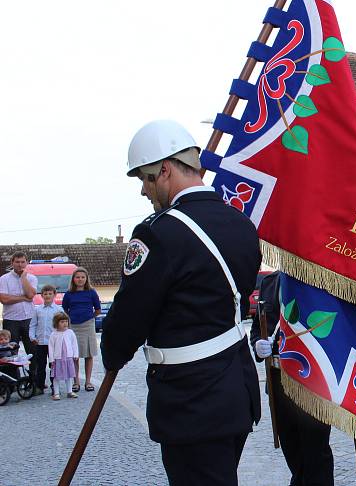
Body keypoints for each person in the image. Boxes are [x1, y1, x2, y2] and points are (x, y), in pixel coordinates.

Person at [101, 120, 261, 485]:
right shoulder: (241, 225)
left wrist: (112, 352)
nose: (144, 190)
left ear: (165, 169)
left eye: (145, 178)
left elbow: (126, 323)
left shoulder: (158, 234)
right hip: (235, 389)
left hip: (192, 400)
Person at [252, 272, 335, 486]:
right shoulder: (270, 283)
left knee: (316, 454)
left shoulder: (318, 279)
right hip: (279, 382)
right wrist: (258, 345)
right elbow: (257, 327)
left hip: (313, 383)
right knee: (292, 450)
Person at [61, 267, 101, 392]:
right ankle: (76, 382)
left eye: (82, 277)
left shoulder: (92, 292)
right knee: (75, 355)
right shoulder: (69, 294)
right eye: (77, 277)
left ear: (86, 278)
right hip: (74, 326)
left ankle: (88, 382)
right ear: (73, 279)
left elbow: (98, 309)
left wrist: (89, 318)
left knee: (89, 354)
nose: (80, 279)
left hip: (88, 325)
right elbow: (65, 309)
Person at [0, 251, 38, 377]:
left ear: (26, 263)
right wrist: (22, 298)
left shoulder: (31, 278)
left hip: (29, 319)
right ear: (12, 263)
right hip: (11, 320)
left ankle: (34, 380)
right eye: (17, 262)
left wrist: (23, 278)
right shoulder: (4, 279)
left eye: (23, 262)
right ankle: (12, 381)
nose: (20, 265)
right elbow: (4, 299)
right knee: (10, 352)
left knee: (32, 351)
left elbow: (31, 295)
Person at [29, 284, 63, 396]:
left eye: (50, 294)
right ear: (42, 295)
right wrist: (32, 337)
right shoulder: (37, 310)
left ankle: (55, 386)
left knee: (53, 365)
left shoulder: (58, 310)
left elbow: (62, 326)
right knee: (40, 365)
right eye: (45, 294)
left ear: (54, 295)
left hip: (53, 343)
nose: (47, 296)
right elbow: (33, 324)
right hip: (40, 342)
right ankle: (39, 386)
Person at [48, 312, 79, 401]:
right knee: (56, 376)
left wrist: (75, 354)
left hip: (68, 358)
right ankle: (56, 393)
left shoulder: (70, 332)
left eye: (66, 321)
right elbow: (51, 347)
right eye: (62, 322)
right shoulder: (54, 334)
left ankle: (69, 391)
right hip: (58, 359)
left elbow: (74, 344)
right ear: (56, 323)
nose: (65, 323)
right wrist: (51, 359)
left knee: (69, 375)